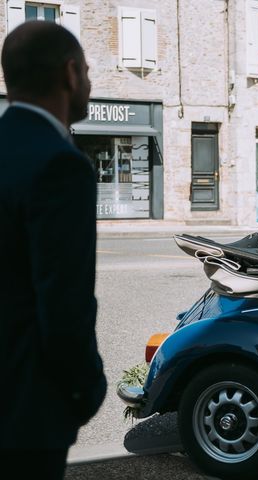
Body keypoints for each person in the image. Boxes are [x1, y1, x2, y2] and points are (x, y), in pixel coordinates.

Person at [0, 21, 106, 478]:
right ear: (68, 73)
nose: (89, 82)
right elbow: (65, 308)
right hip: (26, 412)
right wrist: (85, 393)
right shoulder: (61, 166)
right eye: (86, 70)